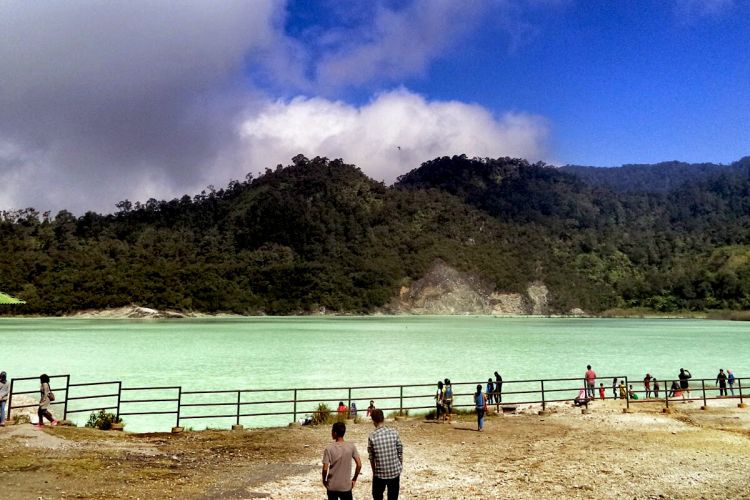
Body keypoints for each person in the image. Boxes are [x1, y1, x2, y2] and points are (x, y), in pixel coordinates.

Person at [367, 409, 403, 500]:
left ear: (373, 420)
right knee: (393, 496)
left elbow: (371, 458)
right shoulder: (394, 432)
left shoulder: (372, 436)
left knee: (377, 495)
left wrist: (374, 472)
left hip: (380, 473)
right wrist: (400, 465)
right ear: (383, 418)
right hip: (395, 471)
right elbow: (400, 451)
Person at [322, 422, 362, 500]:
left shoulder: (329, 448)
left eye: (332, 431)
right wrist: (354, 479)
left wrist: (324, 480)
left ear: (335, 433)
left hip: (332, 486)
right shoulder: (351, 446)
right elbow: (359, 464)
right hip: (346, 486)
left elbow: (325, 469)